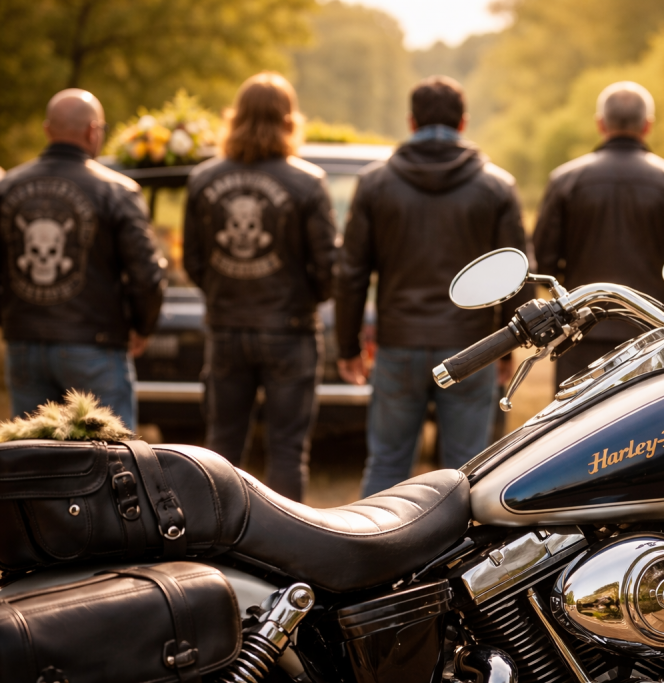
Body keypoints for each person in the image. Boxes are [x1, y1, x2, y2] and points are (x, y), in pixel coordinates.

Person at [336, 75, 528, 497]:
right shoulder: (497, 186)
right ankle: (464, 564)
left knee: (387, 462)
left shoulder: (374, 184)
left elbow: (351, 272)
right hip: (472, 348)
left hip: (398, 344)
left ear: (410, 121)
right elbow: (517, 273)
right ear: (463, 123)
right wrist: (508, 345)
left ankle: (372, 556)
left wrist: (347, 347)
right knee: (468, 471)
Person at [184, 72, 337, 502]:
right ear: (290, 120)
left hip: (226, 327)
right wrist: (308, 298)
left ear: (236, 117)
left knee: (220, 448)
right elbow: (328, 268)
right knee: (288, 450)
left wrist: (220, 292)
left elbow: (193, 260)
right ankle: (289, 554)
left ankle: (210, 547)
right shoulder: (308, 181)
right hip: (291, 331)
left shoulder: (202, 179)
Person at [0, 89, 165, 429]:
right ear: (93, 131)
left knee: (30, 460)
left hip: (22, 344)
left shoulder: (7, 188)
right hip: (96, 346)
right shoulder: (117, 191)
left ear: (48, 130)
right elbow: (146, 275)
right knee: (113, 461)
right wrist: (143, 325)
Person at [533, 81, 664, 386]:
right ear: (647, 125)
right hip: (652, 335)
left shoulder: (565, 181)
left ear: (601, 123)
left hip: (579, 334)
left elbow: (543, 261)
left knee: (574, 428)